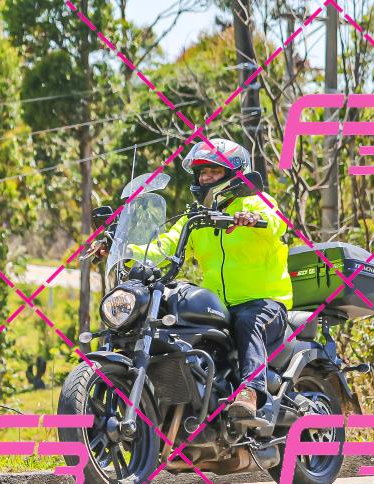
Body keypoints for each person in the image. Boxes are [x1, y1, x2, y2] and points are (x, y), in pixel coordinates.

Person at [93, 138, 292, 426]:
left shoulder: (254, 203)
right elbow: (163, 247)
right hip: (220, 308)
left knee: (248, 322)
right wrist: (122, 249)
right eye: (202, 172)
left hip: (263, 302)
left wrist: (252, 218)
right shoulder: (196, 217)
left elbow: (275, 221)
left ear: (234, 174)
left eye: (213, 171)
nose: (205, 178)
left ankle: (251, 391)